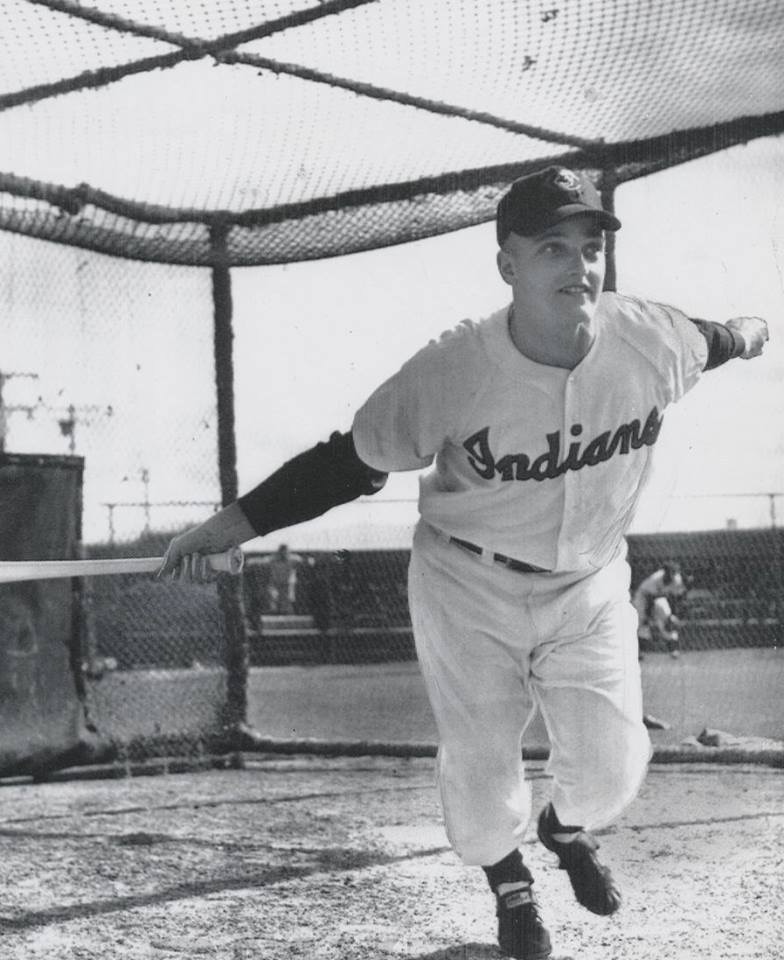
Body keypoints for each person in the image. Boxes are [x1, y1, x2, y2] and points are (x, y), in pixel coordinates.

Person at [157, 165, 768, 959]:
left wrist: (751, 333)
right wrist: (229, 526)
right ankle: (510, 880)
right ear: (506, 263)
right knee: (480, 772)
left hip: (587, 582)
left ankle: (563, 830)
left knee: (616, 770)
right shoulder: (455, 369)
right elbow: (351, 462)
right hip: (467, 582)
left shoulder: (650, 339)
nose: (579, 266)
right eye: (553, 247)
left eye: (590, 247)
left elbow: (718, 339)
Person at [633, 562, 688, 658]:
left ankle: (673, 650)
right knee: (642, 623)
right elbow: (650, 599)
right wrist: (647, 618)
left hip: (659, 598)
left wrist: (672, 615)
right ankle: (640, 652)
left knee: (668, 619)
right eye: (670, 572)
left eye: (674, 572)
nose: (672, 574)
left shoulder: (677, 579)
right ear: (664, 572)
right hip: (643, 598)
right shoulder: (655, 579)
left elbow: (675, 598)